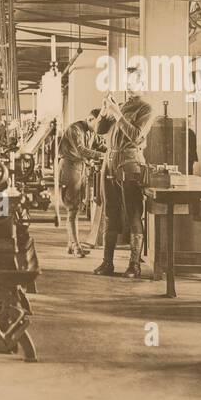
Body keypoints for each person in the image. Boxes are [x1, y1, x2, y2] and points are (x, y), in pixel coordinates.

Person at [93, 88, 154, 278]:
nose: (129, 85)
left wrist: (117, 114)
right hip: (110, 162)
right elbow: (99, 130)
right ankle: (107, 262)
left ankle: (134, 265)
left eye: (134, 80)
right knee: (110, 212)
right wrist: (104, 111)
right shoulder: (121, 106)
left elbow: (136, 136)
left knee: (134, 213)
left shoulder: (146, 108)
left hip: (129, 163)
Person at [57, 109, 105, 257]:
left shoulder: (92, 132)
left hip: (80, 167)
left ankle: (71, 245)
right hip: (69, 168)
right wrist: (104, 155)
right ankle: (76, 246)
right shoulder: (75, 129)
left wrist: (113, 151)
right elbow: (82, 150)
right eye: (97, 124)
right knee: (72, 209)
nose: (98, 129)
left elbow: (100, 145)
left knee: (76, 207)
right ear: (90, 119)